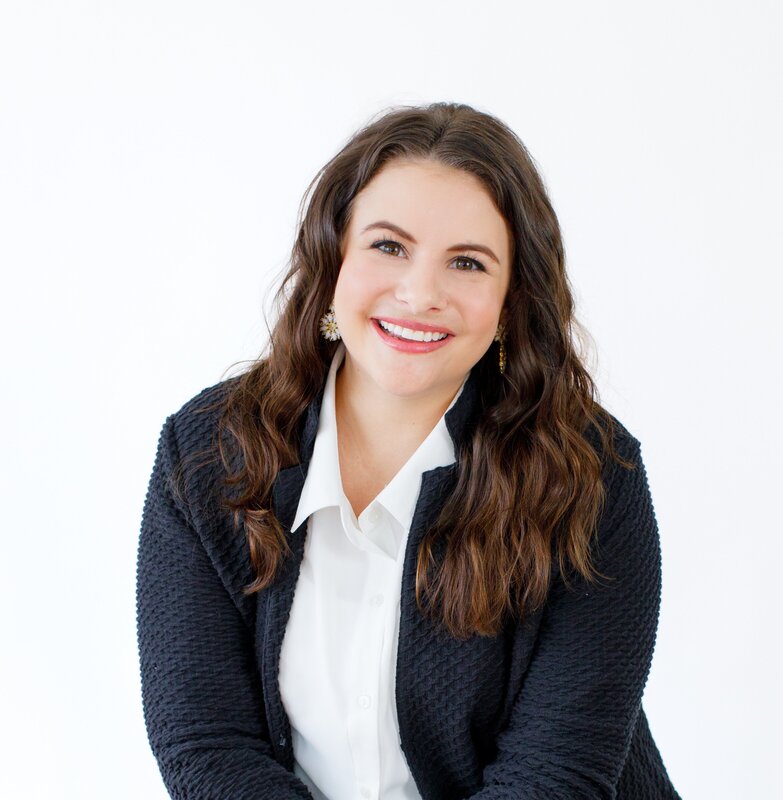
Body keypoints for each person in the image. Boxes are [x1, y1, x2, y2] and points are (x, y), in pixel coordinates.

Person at [136, 101, 681, 800]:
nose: (420, 292)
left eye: (467, 262)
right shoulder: (208, 453)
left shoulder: (594, 476)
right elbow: (205, 744)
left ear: (511, 302)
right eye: (388, 246)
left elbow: (557, 774)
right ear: (332, 260)